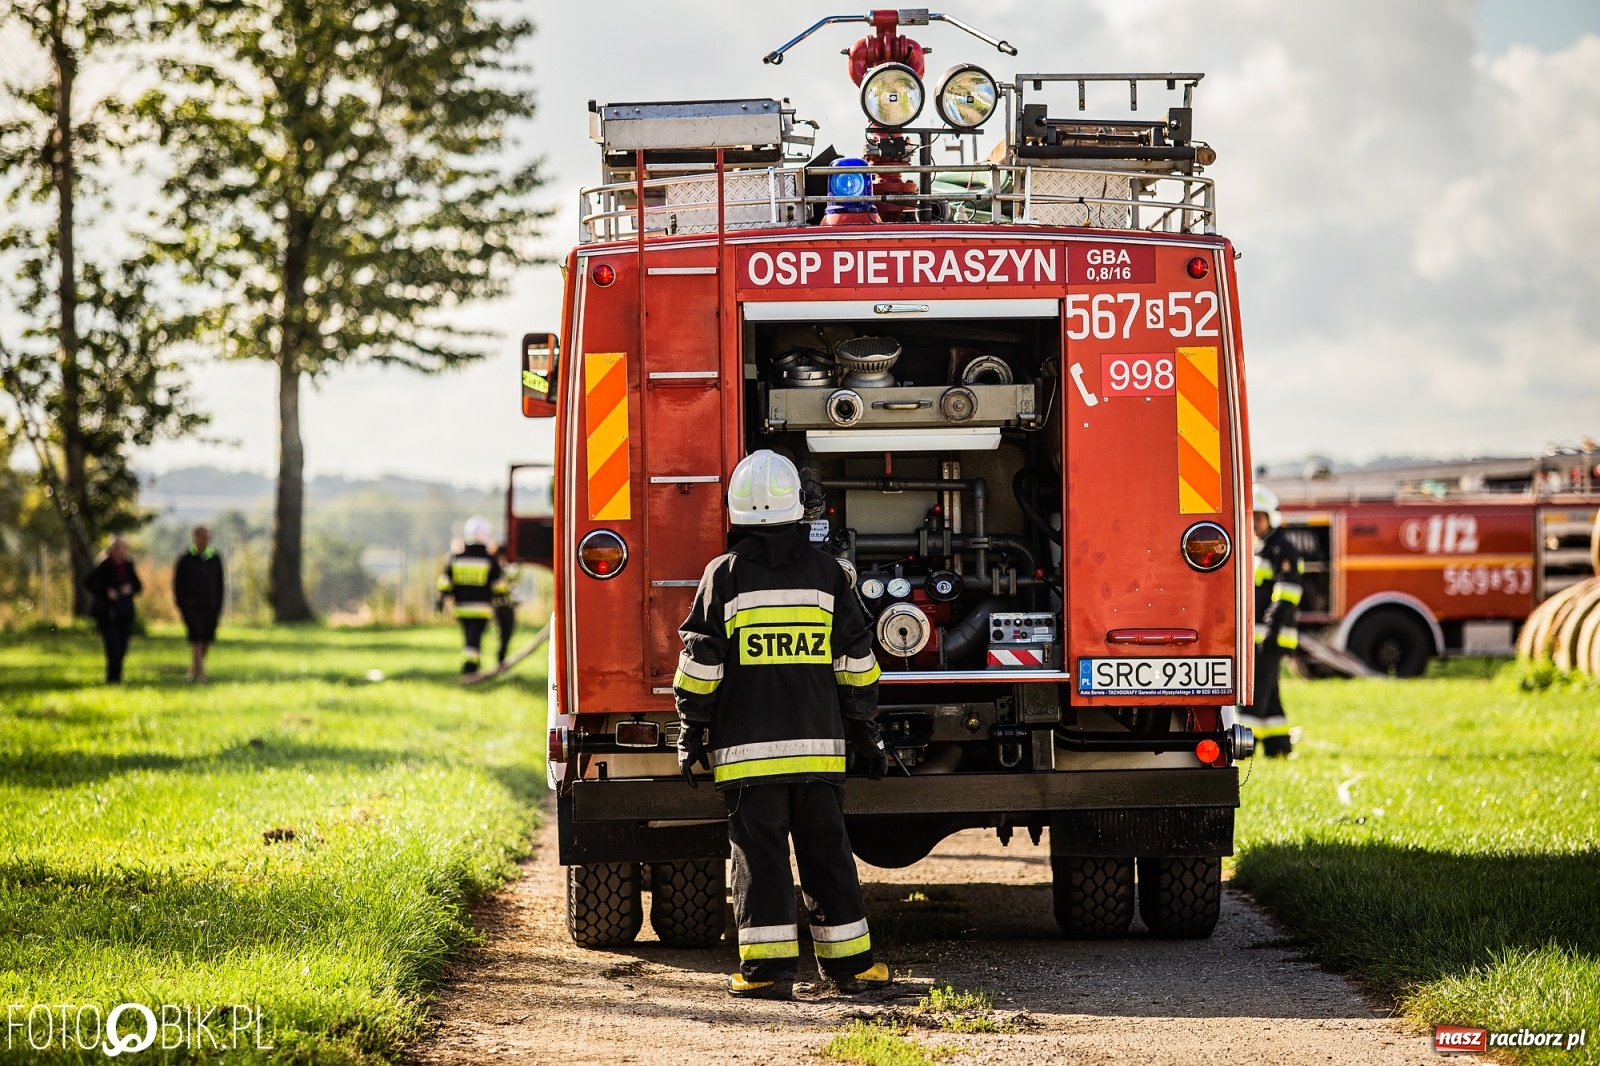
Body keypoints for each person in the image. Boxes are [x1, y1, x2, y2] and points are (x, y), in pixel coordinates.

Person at [674, 449, 892, 1000]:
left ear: (735, 509)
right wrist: (866, 731)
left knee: (760, 860)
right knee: (828, 856)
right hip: (819, 751)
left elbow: (701, 664)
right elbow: (856, 662)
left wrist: (691, 730)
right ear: (799, 506)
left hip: (747, 756)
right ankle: (850, 970)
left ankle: (768, 974)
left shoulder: (722, 576)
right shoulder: (827, 574)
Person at [1243, 485, 1303, 757]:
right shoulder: (1261, 547)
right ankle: (1278, 746)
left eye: (1259, 517)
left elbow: (1287, 593)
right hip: (1261, 634)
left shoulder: (1281, 548)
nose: (1254, 523)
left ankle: (1245, 746)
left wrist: (1270, 629)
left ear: (1271, 517)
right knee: (1269, 693)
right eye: (1251, 517)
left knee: (1254, 693)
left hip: (1271, 634)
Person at [437, 516, 508, 677]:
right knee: (474, 637)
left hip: (462, 607)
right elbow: (499, 586)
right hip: (481, 608)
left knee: (469, 637)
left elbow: (445, 581)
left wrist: (441, 598)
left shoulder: (457, 558)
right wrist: (503, 599)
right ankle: (470, 668)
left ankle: (471, 665)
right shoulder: (489, 560)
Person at [84, 536, 142, 684]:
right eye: (121, 548)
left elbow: (138, 586)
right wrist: (107, 591)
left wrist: (130, 588)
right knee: (113, 646)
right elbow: (89, 583)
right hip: (107, 614)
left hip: (124, 613)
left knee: (122, 646)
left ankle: (116, 676)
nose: (124, 551)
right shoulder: (104, 565)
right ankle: (112, 678)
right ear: (113, 549)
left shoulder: (128, 565)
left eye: (125, 548)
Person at [173, 525, 225, 682]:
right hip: (191, 607)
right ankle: (202, 675)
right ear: (194, 538)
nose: (206, 540)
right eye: (203, 537)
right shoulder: (185, 559)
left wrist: (218, 604)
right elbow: (178, 586)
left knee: (206, 639)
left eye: (208, 537)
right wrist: (183, 605)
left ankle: (193, 670)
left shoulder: (215, 558)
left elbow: (220, 584)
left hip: (210, 606)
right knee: (196, 638)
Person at [492, 544, 521, 667]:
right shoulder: (500, 569)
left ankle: (501, 661)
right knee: (504, 636)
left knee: (505, 636)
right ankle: (500, 661)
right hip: (503, 608)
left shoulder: (501, 568)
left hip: (505, 607)